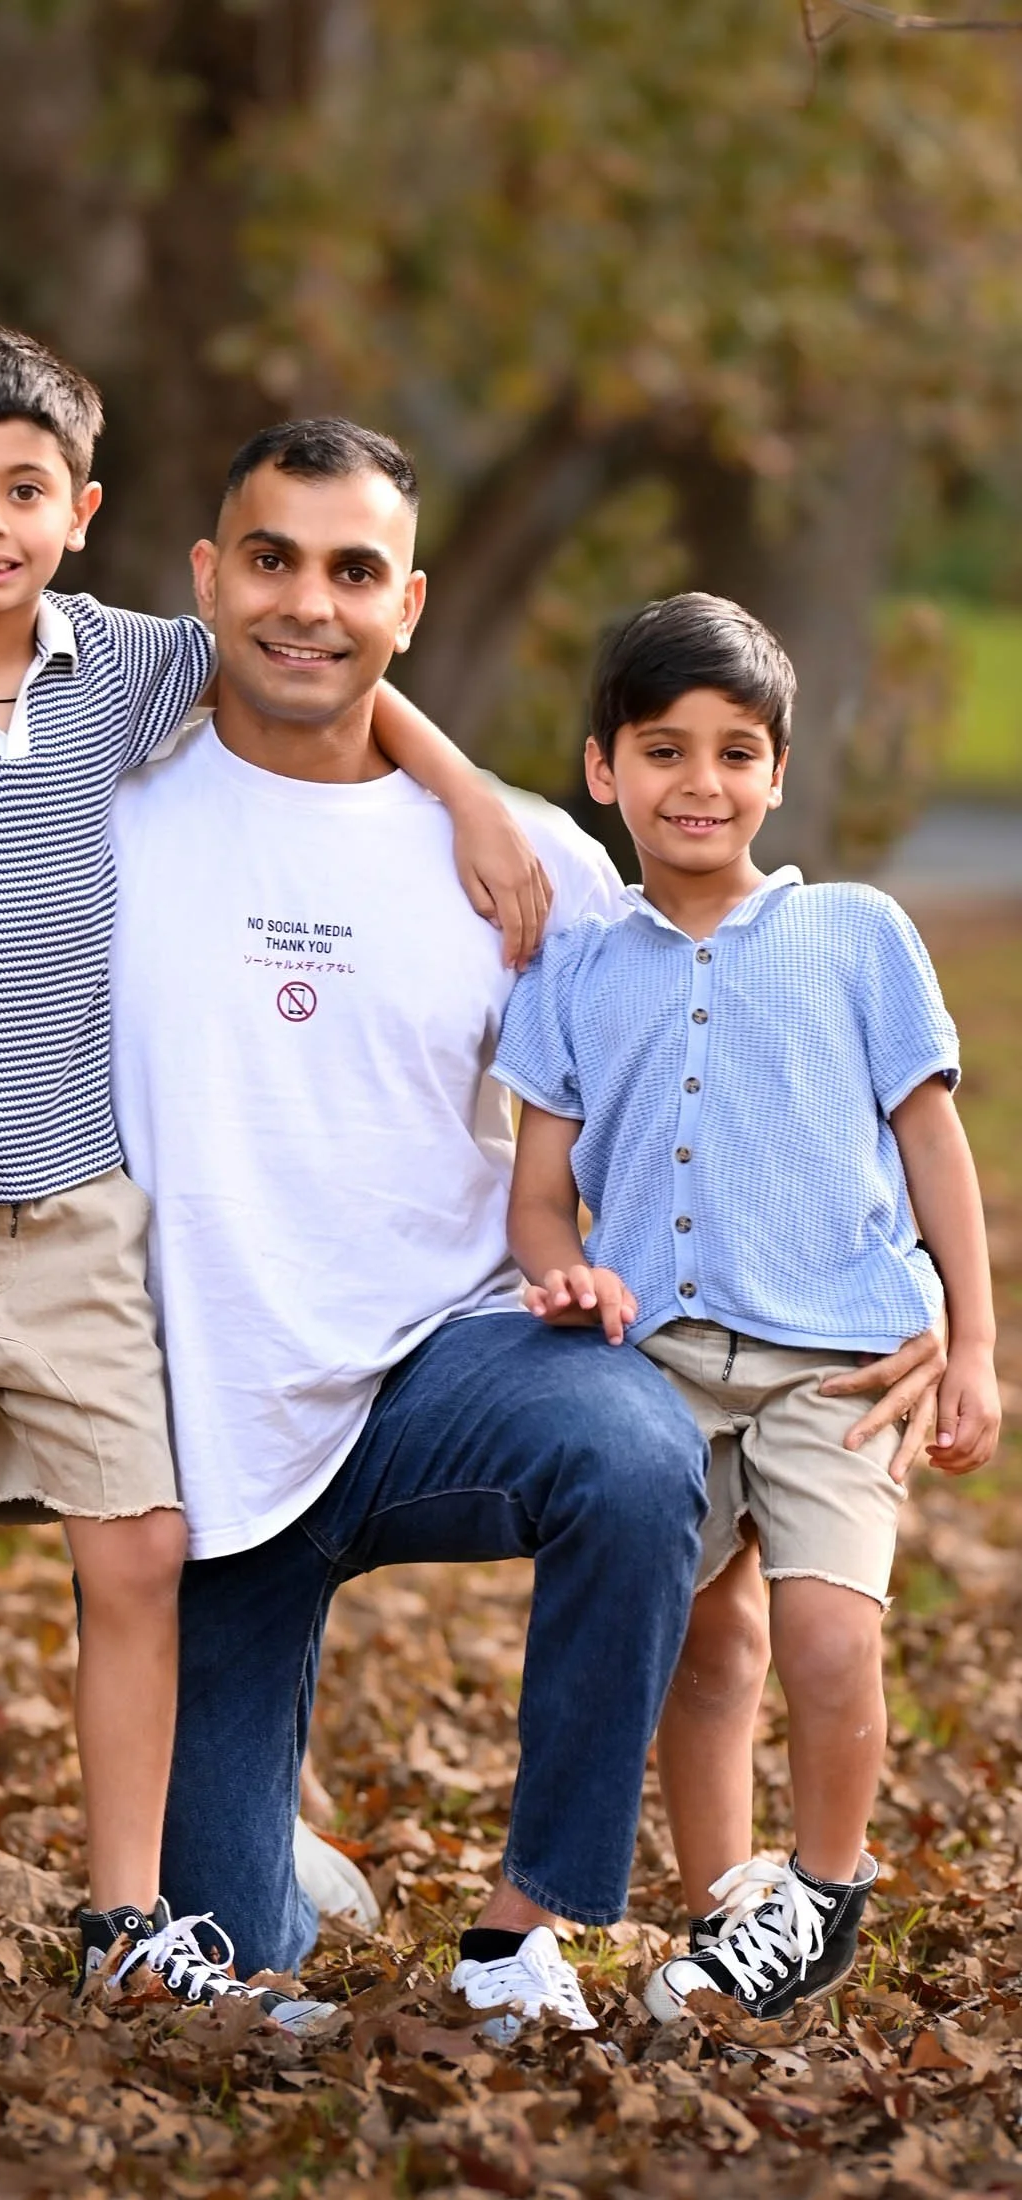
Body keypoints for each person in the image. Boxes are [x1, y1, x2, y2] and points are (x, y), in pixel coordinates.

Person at [0, 434, 942, 2039]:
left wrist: (891, 1289)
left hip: (442, 1374)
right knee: (236, 1952)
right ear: (204, 580)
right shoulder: (99, 810)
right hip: (194, 1451)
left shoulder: (530, 863)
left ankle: (528, 1923)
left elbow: (720, 1043)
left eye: (353, 571)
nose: (308, 605)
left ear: (409, 603)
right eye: (272, 561)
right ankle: (275, 1866)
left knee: (636, 1448)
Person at [0, 332, 538, 2024]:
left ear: (82, 513)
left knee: (139, 1546)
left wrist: (465, 793)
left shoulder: (118, 664)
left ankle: (125, 1919)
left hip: (78, 1209)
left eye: (23, 491)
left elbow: (323, 644)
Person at [494, 592, 1000, 2024]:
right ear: (603, 771)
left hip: (841, 1358)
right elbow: (539, 1196)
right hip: (656, 1370)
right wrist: (562, 1265)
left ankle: (822, 1887)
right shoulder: (576, 972)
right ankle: (726, 1909)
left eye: (731, 753)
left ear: (776, 771)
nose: (697, 784)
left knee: (830, 1640)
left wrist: (970, 1341)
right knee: (697, 1646)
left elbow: (931, 1142)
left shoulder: (854, 933)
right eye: (661, 751)